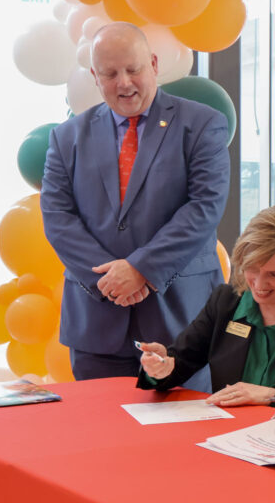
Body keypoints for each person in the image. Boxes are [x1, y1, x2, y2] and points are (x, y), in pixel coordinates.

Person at [41, 22, 230, 380]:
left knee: (184, 418)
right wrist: (111, 281)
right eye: (110, 74)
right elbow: (57, 217)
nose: (124, 83)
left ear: (154, 64)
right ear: (95, 77)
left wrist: (141, 269)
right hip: (96, 325)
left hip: (182, 324)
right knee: (98, 418)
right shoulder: (66, 138)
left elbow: (204, 207)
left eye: (133, 69)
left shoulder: (203, 125)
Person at [136, 206, 275, 404]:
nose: (259, 284)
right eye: (252, 268)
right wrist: (160, 367)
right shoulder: (225, 303)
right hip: (229, 428)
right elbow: (180, 362)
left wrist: (274, 394)